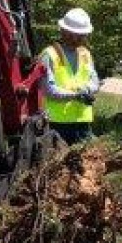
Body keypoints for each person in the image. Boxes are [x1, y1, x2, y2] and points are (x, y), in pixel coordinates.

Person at [39, 8, 100, 145]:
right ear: (63, 31)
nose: (77, 38)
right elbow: (49, 90)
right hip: (57, 125)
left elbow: (94, 81)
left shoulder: (85, 54)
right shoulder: (49, 55)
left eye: (81, 35)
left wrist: (87, 90)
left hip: (83, 123)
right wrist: (76, 95)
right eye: (74, 34)